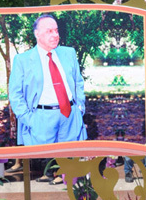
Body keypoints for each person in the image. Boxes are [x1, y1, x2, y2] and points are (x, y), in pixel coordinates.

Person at [8, 14, 87, 146]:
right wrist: (29, 119)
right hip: (41, 119)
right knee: (44, 163)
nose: (55, 35)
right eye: (49, 31)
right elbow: (15, 94)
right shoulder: (23, 60)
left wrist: (80, 107)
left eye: (56, 31)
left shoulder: (69, 53)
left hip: (71, 117)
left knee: (71, 161)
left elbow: (78, 82)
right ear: (37, 34)